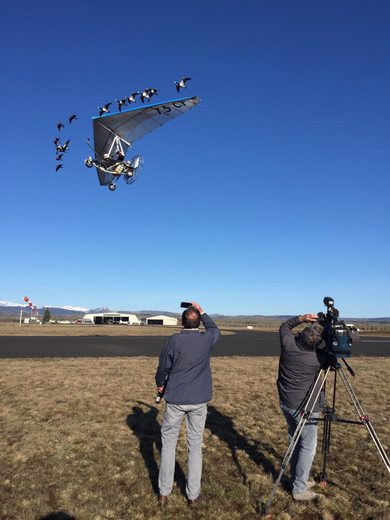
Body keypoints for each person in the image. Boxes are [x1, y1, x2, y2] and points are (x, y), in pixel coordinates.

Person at [155, 302, 221, 508]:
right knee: (194, 446)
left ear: (181, 322)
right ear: (198, 322)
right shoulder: (206, 339)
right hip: (199, 401)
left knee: (168, 446)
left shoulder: (174, 340)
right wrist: (202, 311)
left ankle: (163, 493)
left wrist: (160, 385)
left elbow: (163, 366)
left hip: (175, 399)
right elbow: (215, 330)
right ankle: (192, 495)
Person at [277, 314, 329, 501]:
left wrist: (302, 318)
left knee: (296, 442)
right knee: (308, 447)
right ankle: (299, 489)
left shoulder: (288, 344)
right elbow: (332, 356)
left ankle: (298, 479)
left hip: (286, 402)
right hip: (304, 408)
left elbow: (284, 326)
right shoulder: (318, 359)